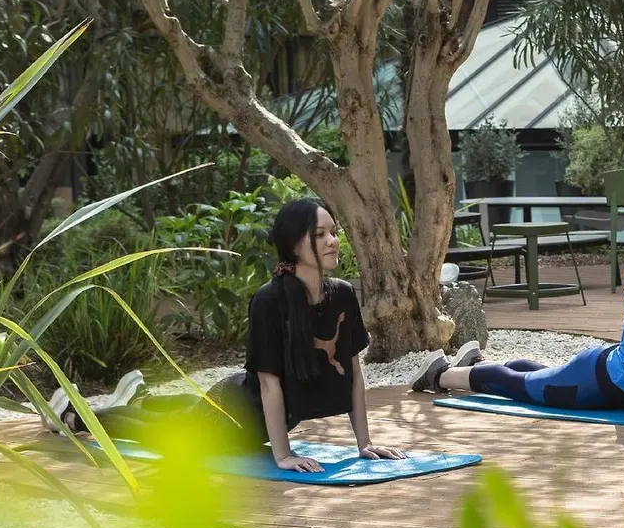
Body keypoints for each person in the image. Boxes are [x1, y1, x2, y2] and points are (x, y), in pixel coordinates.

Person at [44, 198, 407, 473]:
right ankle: (73, 416)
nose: (332, 241)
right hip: (234, 413)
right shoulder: (269, 299)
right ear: (294, 245)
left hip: (255, 417)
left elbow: (354, 373)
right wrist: (283, 455)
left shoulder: (341, 294)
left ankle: (140, 397)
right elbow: (269, 385)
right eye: (319, 235)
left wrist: (365, 443)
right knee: (160, 433)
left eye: (333, 233)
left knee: (175, 417)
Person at [412, 188, 624, 424]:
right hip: (605, 380)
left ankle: (472, 362)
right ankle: (441, 375)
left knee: (538, 376)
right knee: (523, 387)